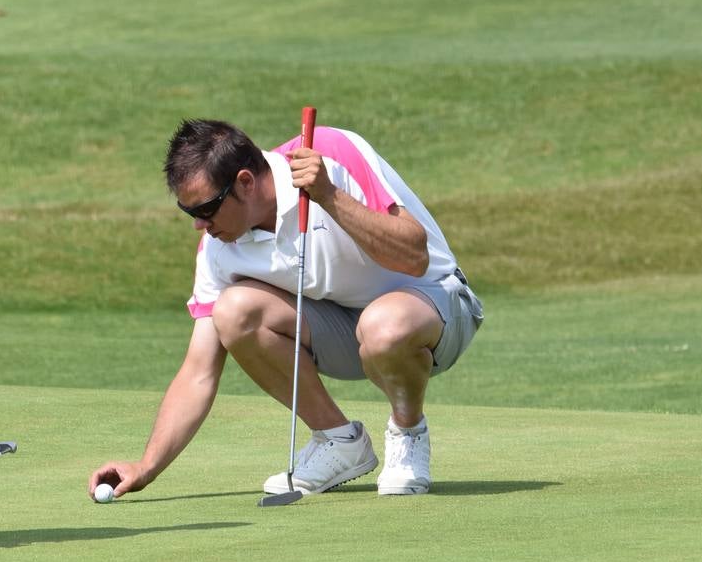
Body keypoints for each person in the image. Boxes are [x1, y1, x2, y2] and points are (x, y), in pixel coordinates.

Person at [89, 119, 483, 501]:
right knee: (234, 311)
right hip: (348, 330)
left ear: (244, 182)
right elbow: (199, 371)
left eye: (206, 208)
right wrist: (146, 465)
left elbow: (414, 256)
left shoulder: (331, 154)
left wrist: (329, 196)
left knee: (384, 325)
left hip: (436, 307)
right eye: (189, 212)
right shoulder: (218, 247)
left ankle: (408, 430)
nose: (199, 224)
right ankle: (338, 441)